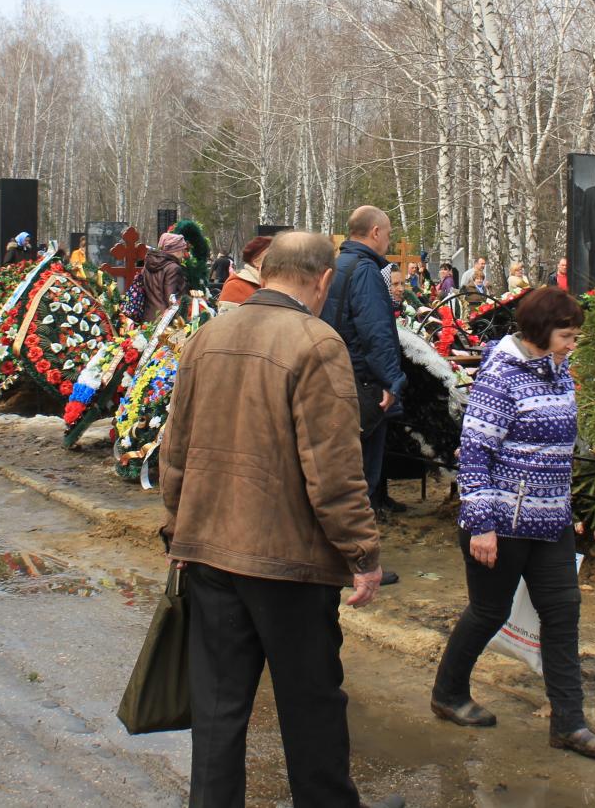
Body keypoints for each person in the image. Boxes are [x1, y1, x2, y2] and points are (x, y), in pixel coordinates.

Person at [159, 231, 400, 808]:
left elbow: (176, 447)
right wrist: (363, 554)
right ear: (322, 280)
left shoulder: (208, 336)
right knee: (311, 704)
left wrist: (177, 526)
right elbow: (334, 469)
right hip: (289, 563)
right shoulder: (317, 343)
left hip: (210, 550)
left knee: (218, 712)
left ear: (266, 273)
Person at [430, 287, 595, 760]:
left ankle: (569, 723)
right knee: (488, 612)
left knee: (563, 614)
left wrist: (563, 507)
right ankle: (448, 693)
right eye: (567, 335)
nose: (573, 343)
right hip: (502, 522)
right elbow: (475, 453)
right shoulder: (500, 375)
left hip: (550, 521)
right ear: (539, 331)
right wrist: (482, 524)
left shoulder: (558, 370)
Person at [323, 207, 406, 562]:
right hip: (364, 383)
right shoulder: (367, 272)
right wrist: (391, 381)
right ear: (375, 232)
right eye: (387, 233)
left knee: (342, 473)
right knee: (362, 479)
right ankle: (358, 561)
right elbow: (376, 333)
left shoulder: (337, 266)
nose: (388, 240)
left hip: (337, 377)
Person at [217, 235, 271, 311]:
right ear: (256, 262)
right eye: (271, 257)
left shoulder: (278, 283)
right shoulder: (235, 286)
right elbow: (229, 321)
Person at [142, 231, 191, 315]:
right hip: (165, 320)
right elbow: (171, 298)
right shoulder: (173, 268)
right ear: (176, 250)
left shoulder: (147, 265)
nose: (183, 254)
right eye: (182, 250)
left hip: (147, 317)